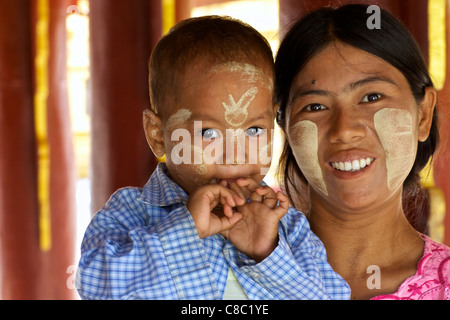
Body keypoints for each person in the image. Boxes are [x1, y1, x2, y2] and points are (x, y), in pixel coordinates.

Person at [76, 16, 350, 300]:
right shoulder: (129, 214)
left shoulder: (286, 227)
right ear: (158, 134)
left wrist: (267, 253)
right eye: (208, 132)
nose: (236, 152)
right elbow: (95, 286)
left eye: (254, 130)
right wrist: (186, 229)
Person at [275, 4, 450, 300]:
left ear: (423, 114)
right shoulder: (228, 273)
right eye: (315, 107)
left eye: (371, 97)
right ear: (286, 126)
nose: (344, 130)